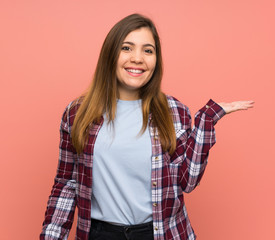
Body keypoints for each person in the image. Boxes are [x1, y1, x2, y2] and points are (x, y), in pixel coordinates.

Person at [40, 13, 254, 240]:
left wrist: (206, 121)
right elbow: (66, 184)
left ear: (156, 60)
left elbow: (188, 181)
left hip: (161, 233)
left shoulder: (174, 111)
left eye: (148, 50)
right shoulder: (77, 113)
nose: (138, 58)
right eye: (127, 48)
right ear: (110, 55)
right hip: (100, 234)